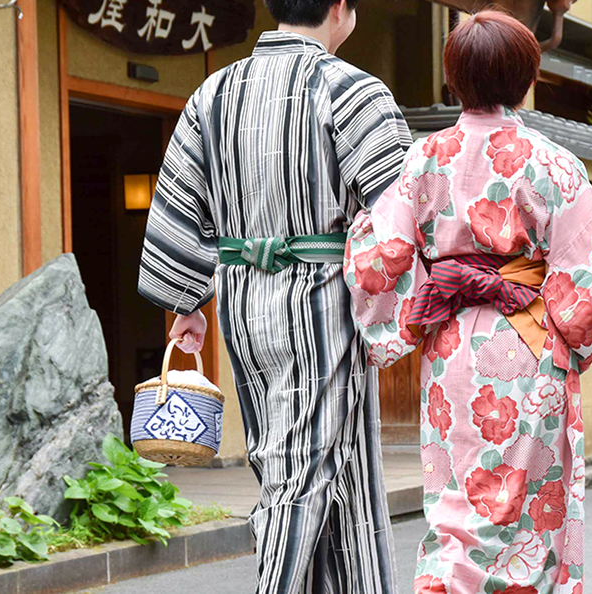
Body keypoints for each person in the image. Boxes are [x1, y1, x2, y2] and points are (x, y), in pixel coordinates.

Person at [136, 0, 412, 591]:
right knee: (300, 468)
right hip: (320, 304)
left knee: (339, 465)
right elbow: (402, 215)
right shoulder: (351, 90)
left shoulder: (214, 93)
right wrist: (403, 311)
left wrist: (187, 303)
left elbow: (182, 203)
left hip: (242, 302)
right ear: (340, 8)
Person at [343, 11, 592, 594]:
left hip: (453, 347)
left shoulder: (422, 159)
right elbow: (585, 274)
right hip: (531, 339)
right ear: (524, 77)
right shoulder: (553, 163)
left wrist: (405, 313)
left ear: (453, 78)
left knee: (457, 506)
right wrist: (575, 332)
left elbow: (378, 259)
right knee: (531, 508)